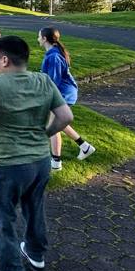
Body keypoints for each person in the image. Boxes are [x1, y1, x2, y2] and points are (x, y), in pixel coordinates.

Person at [0, 35, 73, 271]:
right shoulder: (43, 80)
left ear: (4, 60)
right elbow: (66, 117)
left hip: (8, 165)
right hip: (40, 163)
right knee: (34, 207)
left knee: (1, 221)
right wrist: (44, 133)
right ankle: (36, 254)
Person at [38, 27, 96, 170]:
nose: (37, 39)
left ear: (45, 39)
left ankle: (56, 163)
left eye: (39, 36)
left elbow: (54, 81)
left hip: (63, 93)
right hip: (64, 92)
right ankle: (85, 147)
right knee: (58, 124)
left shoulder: (54, 57)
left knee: (53, 127)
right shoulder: (53, 53)